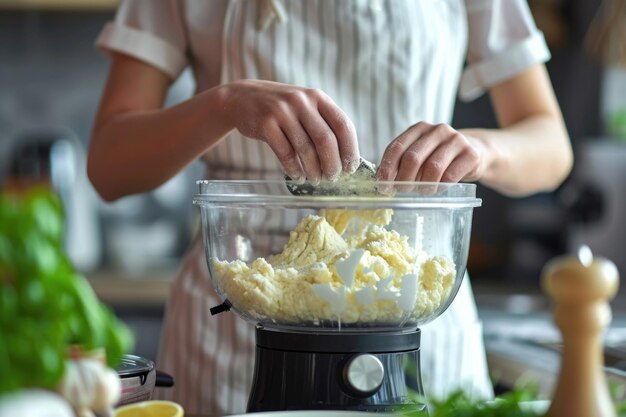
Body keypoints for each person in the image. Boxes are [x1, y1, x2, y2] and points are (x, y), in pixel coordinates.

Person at [88, 0, 573, 414]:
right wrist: (223, 104)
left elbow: (551, 145)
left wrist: (482, 151)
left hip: (415, 307)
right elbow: (110, 165)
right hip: (232, 339)